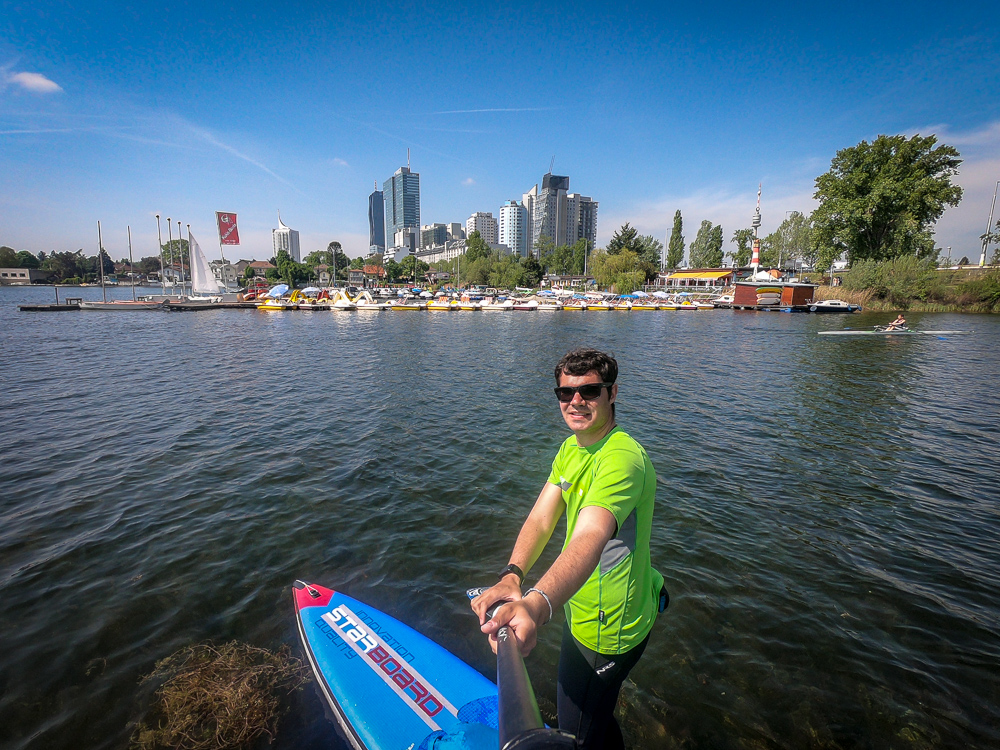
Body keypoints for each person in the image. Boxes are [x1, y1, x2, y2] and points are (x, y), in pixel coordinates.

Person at [471, 348, 663, 750]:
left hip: (607, 628)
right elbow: (542, 518)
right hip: (591, 606)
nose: (576, 401)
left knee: (577, 732)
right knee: (597, 716)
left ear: (612, 394)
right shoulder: (572, 448)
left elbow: (588, 537)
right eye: (565, 393)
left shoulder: (622, 458)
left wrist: (535, 606)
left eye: (589, 391)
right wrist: (513, 575)